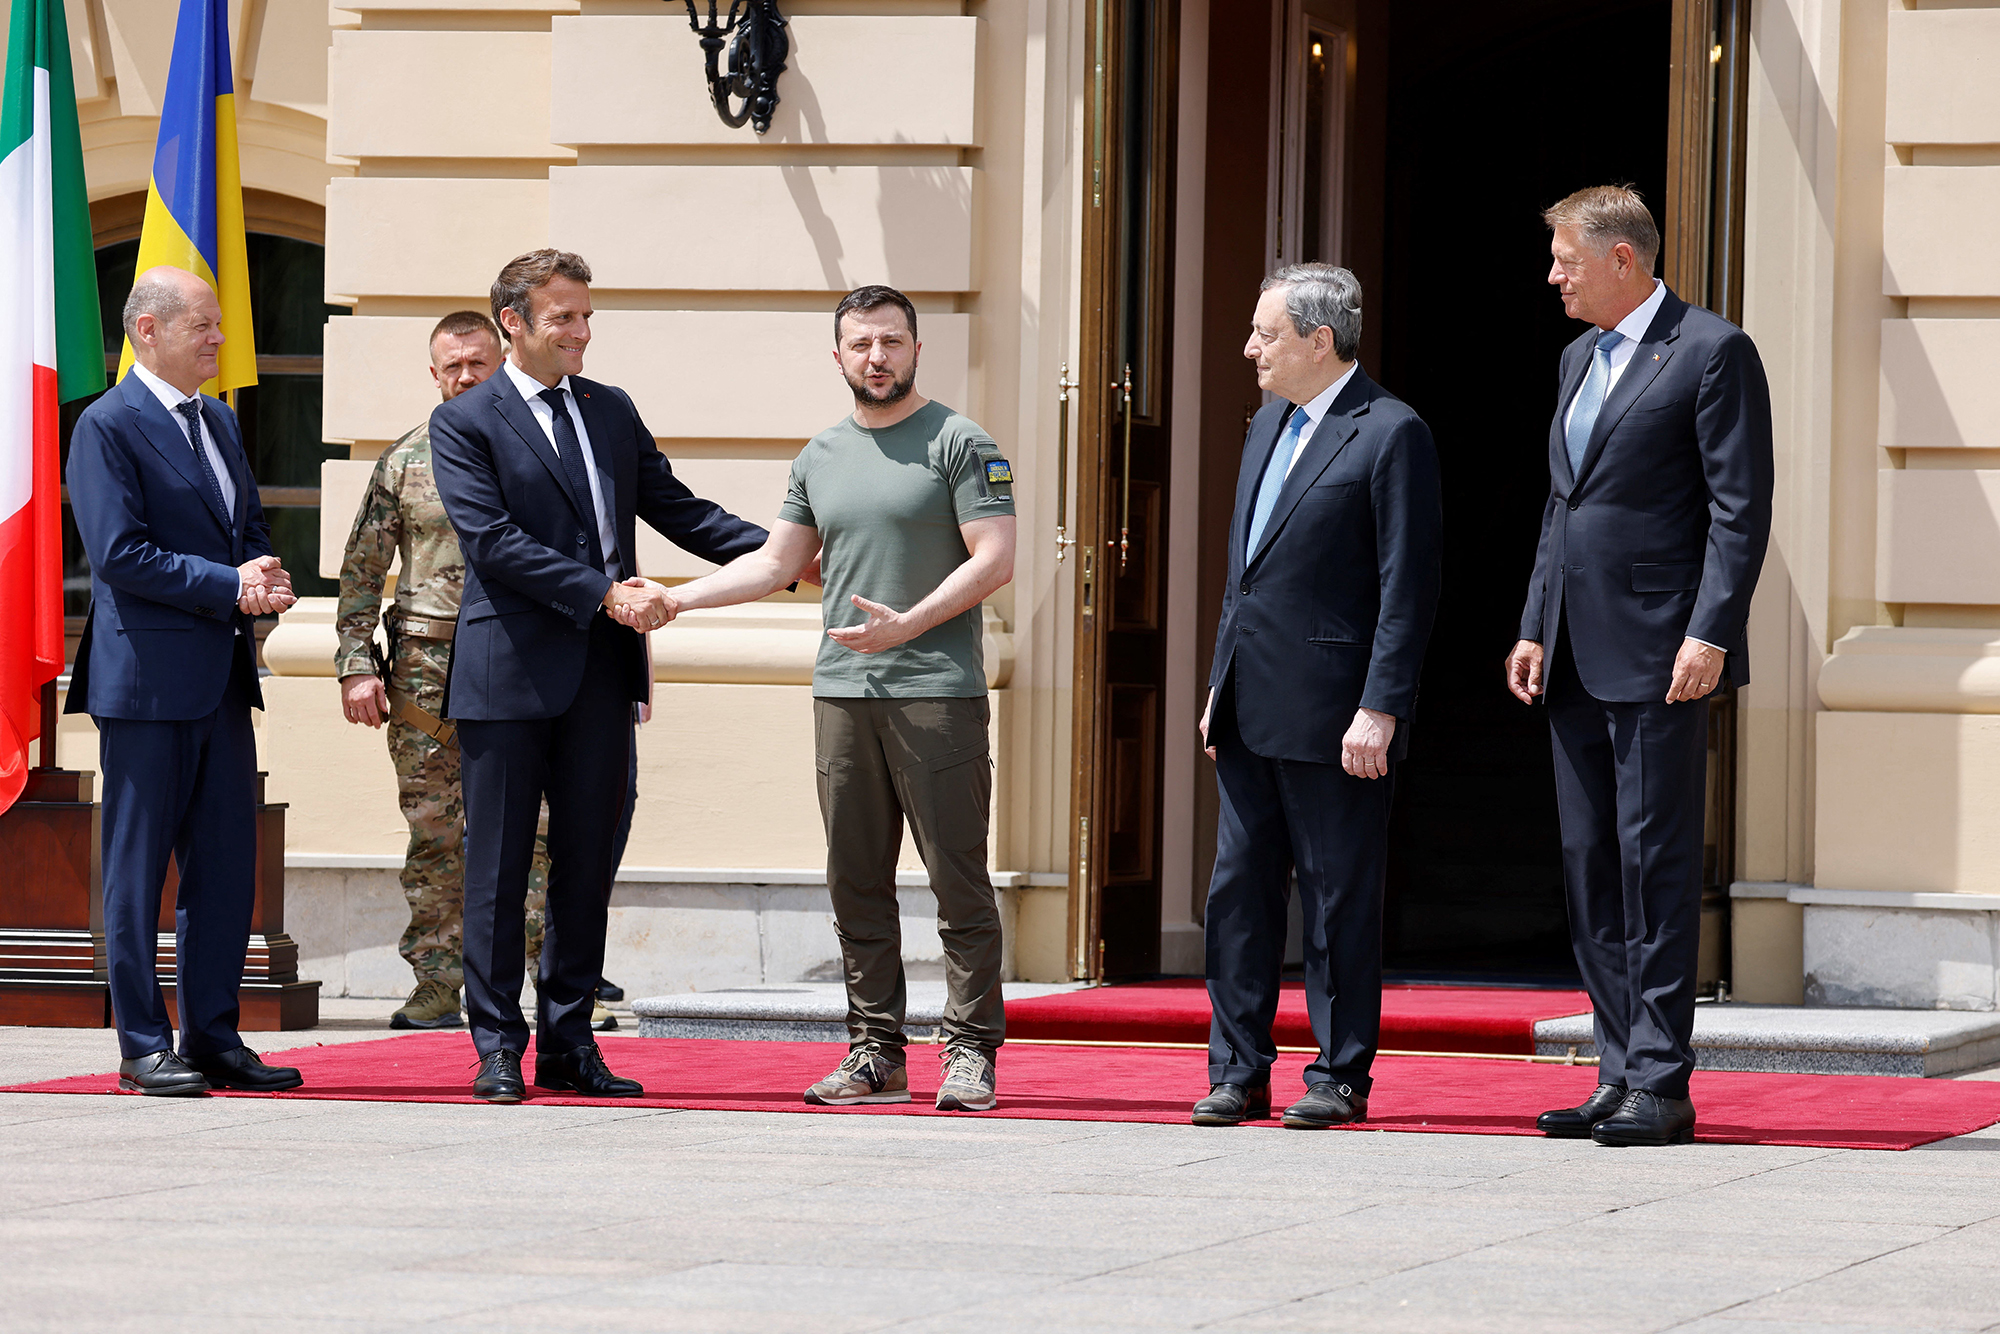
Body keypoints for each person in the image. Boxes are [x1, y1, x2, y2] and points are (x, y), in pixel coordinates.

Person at [647, 284, 1016, 1113]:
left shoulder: (961, 442)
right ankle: (875, 1053)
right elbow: (776, 564)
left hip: (936, 693)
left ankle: (969, 1051)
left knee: (956, 877)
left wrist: (909, 624)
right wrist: (677, 599)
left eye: (891, 342)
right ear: (839, 355)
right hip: (843, 693)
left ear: (917, 350)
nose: (876, 357)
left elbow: (995, 558)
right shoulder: (819, 455)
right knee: (855, 878)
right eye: (861, 344)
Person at [428, 249, 769, 1103]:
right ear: (514, 321)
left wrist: (793, 553)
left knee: (587, 866)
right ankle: (497, 1046)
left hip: (602, 676)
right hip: (507, 674)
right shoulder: (466, 421)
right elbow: (493, 544)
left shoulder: (610, 410)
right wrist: (605, 594)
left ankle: (570, 1044)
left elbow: (680, 509)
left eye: (586, 317)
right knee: (499, 872)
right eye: (563, 318)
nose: (581, 332)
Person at [1505, 185, 1772, 1147]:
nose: (1554, 276)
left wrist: (1712, 630)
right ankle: (1618, 1073)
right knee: (1589, 867)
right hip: (1574, 651)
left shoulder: (1711, 351)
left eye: (1567, 260)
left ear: (1624, 260)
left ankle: (1663, 1080)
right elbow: (1562, 504)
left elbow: (1740, 511)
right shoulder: (1580, 355)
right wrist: (1537, 621)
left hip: (1664, 653)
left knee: (1653, 863)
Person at [1192, 264, 1441, 1130]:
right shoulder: (1267, 424)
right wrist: (1219, 680)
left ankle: (1339, 1075)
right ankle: (1237, 1069)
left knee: (1337, 899)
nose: (1250, 348)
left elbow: (1407, 586)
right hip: (1250, 702)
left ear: (1318, 340)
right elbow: (1244, 576)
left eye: (1265, 333)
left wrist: (1382, 705)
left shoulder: (1390, 432)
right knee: (1239, 894)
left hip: (1339, 712)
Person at [64, 266, 304, 1096]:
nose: (219, 338)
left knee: (226, 866)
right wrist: (227, 585)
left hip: (222, 680)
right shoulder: (108, 425)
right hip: (146, 684)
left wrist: (263, 575)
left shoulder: (222, 424)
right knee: (136, 871)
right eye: (203, 324)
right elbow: (120, 554)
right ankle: (141, 1044)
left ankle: (213, 1036)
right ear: (148, 331)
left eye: (219, 324)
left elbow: (245, 524)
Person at [334, 310, 603, 1031]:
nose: (464, 376)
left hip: (521, 665)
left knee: (539, 831)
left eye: (476, 363)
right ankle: (435, 980)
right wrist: (356, 665)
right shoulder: (404, 458)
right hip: (425, 671)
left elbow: (587, 557)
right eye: (450, 366)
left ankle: (552, 988)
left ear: (502, 358)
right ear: (434, 373)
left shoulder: (535, 450)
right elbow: (362, 570)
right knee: (435, 832)